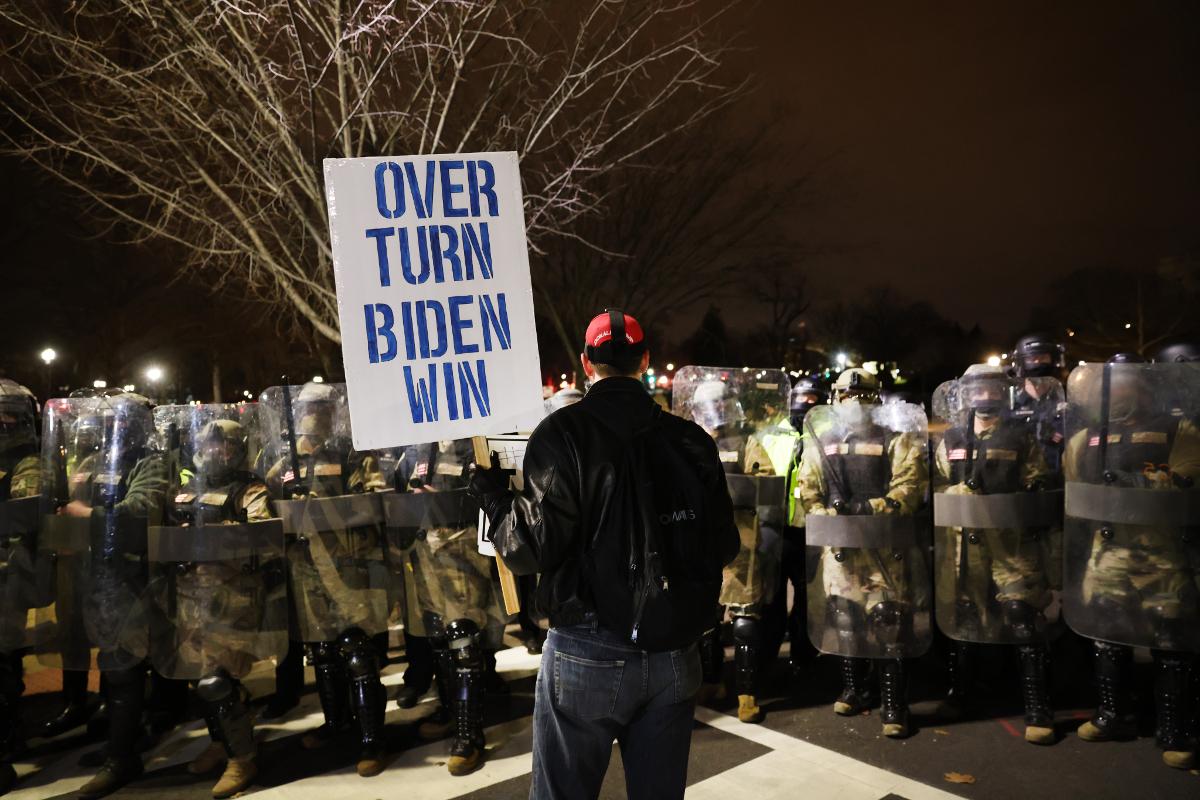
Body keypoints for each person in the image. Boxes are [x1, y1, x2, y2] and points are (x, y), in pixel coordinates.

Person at [473, 310, 739, 800]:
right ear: (644, 359)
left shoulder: (561, 435)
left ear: (586, 362)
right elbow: (725, 545)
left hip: (586, 647)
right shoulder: (689, 440)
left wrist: (493, 499)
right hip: (675, 649)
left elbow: (527, 550)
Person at [1063, 357, 1200, 769]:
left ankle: (1176, 729)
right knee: (1107, 634)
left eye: (1125, 387)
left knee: (1170, 638)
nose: (1115, 396)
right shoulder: (1084, 439)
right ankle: (1113, 714)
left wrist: (1139, 482)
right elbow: (1074, 493)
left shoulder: (1178, 430)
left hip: (1161, 554)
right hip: (1107, 554)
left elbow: (1189, 477)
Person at [148, 411, 285, 798]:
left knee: (216, 681)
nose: (217, 450)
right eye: (210, 443)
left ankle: (242, 757)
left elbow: (262, 538)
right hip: (191, 596)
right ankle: (220, 740)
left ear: (239, 449)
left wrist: (213, 534)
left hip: (235, 597)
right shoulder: (186, 488)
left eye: (225, 444)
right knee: (200, 678)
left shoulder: (251, 490)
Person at [38, 392, 167, 798]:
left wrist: (89, 515)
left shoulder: (151, 462)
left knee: (124, 667)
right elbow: (72, 502)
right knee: (110, 663)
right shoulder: (96, 460)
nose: (117, 427)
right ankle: (123, 739)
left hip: (132, 576)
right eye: (113, 420)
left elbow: (142, 509)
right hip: (94, 576)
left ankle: (122, 758)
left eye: (125, 421)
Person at [264, 382, 391, 778]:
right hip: (305, 568)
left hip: (348, 565)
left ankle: (372, 739)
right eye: (309, 408)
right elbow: (266, 502)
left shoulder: (350, 453)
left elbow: (374, 499)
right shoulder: (284, 461)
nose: (314, 415)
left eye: (322, 408)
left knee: (357, 651)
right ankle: (336, 723)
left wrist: (321, 505)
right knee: (321, 653)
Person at [797, 368, 930, 738]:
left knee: (891, 624)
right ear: (835, 400)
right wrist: (830, 518)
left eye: (863, 396)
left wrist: (871, 509)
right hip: (841, 550)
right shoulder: (822, 441)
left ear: (876, 400)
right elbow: (808, 490)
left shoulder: (896, 440)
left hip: (885, 549)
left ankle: (894, 704)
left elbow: (909, 488)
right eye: (847, 396)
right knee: (846, 619)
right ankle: (854, 687)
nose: (854, 403)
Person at [931, 364, 1061, 744]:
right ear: (966, 394)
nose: (985, 396)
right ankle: (960, 693)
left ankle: (1037, 706)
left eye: (992, 389)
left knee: (1022, 615)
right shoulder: (953, 436)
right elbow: (938, 483)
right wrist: (960, 496)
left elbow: (1038, 481)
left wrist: (1010, 498)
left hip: (1010, 546)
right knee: (964, 616)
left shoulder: (1020, 436)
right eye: (978, 389)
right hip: (962, 545)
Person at [673, 369, 793, 723]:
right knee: (705, 620)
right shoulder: (688, 443)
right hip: (700, 544)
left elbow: (767, 484)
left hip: (742, 543)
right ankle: (711, 681)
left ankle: (746, 692)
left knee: (744, 623)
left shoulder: (747, 441)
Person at [384, 439, 507, 776]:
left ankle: (470, 736)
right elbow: (398, 493)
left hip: (464, 550)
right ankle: (450, 710)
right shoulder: (417, 447)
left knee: (463, 640)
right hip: (426, 555)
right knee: (439, 639)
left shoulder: (474, 443)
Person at [762, 377, 826, 679]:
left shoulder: (829, 435)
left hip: (810, 527)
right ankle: (768, 653)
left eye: (814, 399)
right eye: (802, 398)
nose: (806, 404)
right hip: (776, 528)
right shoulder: (774, 434)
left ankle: (803, 652)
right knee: (772, 596)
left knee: (807, 596)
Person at [0, 380, 42, 796]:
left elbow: (23, 514)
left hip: (8, 573)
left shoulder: (27, 462)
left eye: (9, 414)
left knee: (2, 662)